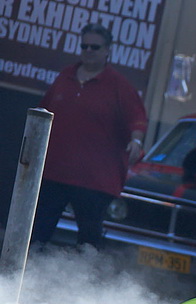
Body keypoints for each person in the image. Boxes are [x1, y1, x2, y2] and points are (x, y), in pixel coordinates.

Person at [31, 23, 147, 249]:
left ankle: (86, 271)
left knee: (89, 239)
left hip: (95, 179)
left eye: (95, 47)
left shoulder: (118, 85)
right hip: (56, 171)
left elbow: (137, 118)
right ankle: (29, 268)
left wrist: (136, 141)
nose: (88, 51)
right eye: (84, 46)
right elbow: (43, 111)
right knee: (37, 233)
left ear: (107, 50)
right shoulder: (65, 76)